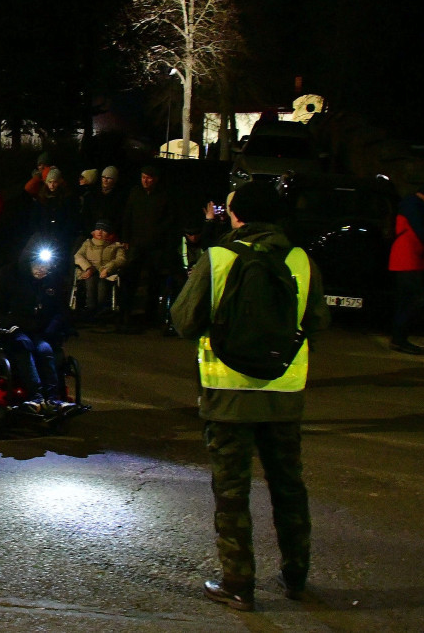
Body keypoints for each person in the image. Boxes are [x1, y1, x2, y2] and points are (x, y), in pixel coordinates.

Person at [170, 180, 331, 612]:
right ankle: (296, 576)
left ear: (236, 216)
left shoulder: (218, 258)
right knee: (288, 486)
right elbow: (317, 322)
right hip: (284, 395)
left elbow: (184, 321)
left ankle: (238, 584)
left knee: (232, 491)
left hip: (227, 398)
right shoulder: (301, 260)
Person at [0, 236, 74, 411]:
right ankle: (35, 396)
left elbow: (61, 309)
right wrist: (8, 326)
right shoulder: (9, 275)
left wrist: (53, 328)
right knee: (23, 347)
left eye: (47, 267)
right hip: (12, 330)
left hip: (39, 331)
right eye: (39, 265)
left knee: (45, 350)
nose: (43, 270)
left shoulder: (52, 281)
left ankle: (52, 398)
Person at [119, 164, 176, 333]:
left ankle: (150, 316)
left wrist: (161, 236)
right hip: (137, 243)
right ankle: (126, 314)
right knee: (130, 278)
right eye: (143, 177)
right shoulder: (135, 193)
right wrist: (126, 237)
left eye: (149, 178)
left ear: (155, 179)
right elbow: (128, 216)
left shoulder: (164, 196)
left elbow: (169, 220)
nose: (145, 181)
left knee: (154, 281)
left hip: (155, 245)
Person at [388, 184, 424, 354]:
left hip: (404, 258)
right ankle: (400, 338)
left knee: (406, 299)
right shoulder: (415, 208)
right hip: (408, 259)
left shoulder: (408, 205)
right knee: (414, 299)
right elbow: (421, 233)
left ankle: (399, 338)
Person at [74, 220, 127, 318]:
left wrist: (108, 268)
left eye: (103, 230)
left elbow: (121, 259)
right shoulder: (88, 243)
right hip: (90, 271)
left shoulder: (116, 245)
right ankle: (90, 309)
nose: (99, 231)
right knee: (90, 283)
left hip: (107, 273)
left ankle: (101, 310)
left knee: (102, 286)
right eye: (98, 229)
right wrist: (88, 267)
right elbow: (78, 256)